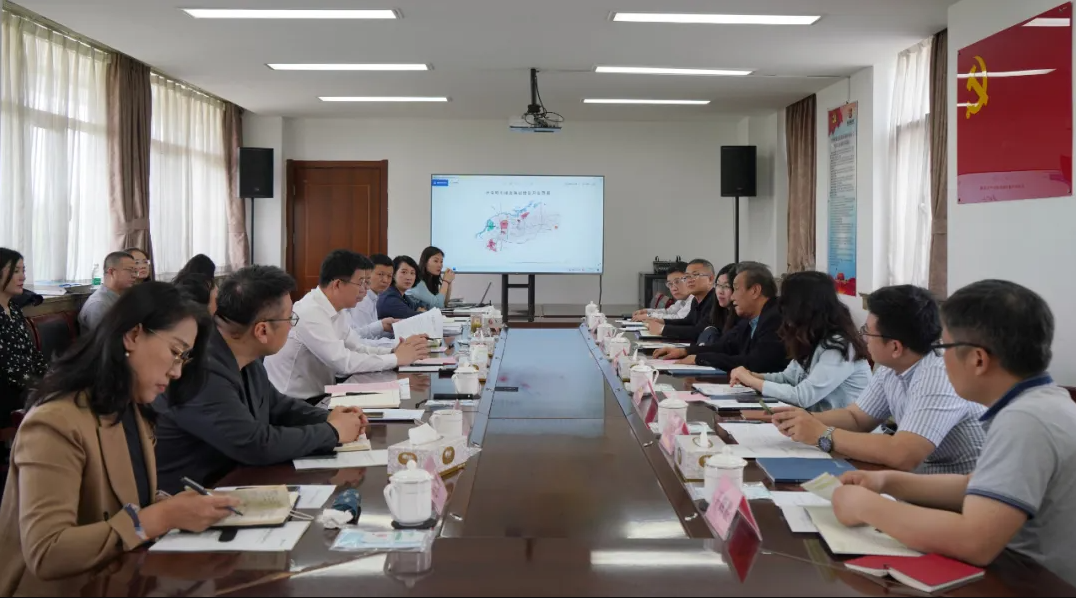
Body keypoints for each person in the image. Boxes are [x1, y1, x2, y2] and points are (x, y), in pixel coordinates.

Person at [831, 280, 1076, 587]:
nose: (939, 359)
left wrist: (867, 507)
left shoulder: (1026, 421)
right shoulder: (1041, 404)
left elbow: (975, 541)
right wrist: (887, 481)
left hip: (1032, 582)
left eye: (943, 347)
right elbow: (974, 485)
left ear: (978, 359)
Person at [0, 283, 239, 596]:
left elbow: (125, 502)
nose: (177, 372)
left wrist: (177, 506)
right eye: (175, 352)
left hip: (119, 579)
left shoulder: (130, 408)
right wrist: (161, 517)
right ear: (133, 335)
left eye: (184, 358)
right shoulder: (55, 422)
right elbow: (48, 552)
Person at [152, 265, 369, 493]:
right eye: (290, 318)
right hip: (195, 497)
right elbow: (255, 444)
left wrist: (331, 417)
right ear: (262, 331)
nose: (291, 325)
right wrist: (332, 432)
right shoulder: (201, 370)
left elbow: (277, 405)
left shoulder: (243, 352)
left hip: (236, 482)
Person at [772, 285, 986, 474]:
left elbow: (904, 453)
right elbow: (856, 418)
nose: (863, 338)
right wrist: (804, 419)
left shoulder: (937, 375)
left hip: (960, 494)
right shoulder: (892, 367)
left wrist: (822, 434)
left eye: (868, 332)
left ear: (895, 347)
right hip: (919, 479)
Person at [265, 250, 429, 400]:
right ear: (337, 284)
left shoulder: (336, 309)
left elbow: (356, 347)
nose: (365, 289)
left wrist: (392, 351)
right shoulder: (310, 312)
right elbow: (343, 362)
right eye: (361, 282)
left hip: (323, 393)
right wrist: (396, 358)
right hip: (297, 403)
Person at [728, 271, 872, 412]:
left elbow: (802, 397)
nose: (782, 308)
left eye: (787, 301)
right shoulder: (811, 337)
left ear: (804, 306)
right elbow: (788, 378)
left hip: (840, 427)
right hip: (814, 422)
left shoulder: (839, 346)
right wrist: (751, 376)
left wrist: (752, 381)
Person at [657, 262, 788, 374]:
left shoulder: (775, 319)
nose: (732, 297)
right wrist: (685, 351)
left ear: (755, 290)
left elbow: (756, 363)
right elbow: (725, 347)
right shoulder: (751, 319)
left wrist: (699, 358)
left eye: (735, 289)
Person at [0, 249, 48, 420]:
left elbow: (31, 352)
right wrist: (38, 384)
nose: (23, 277)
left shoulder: (13, 308)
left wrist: (50, 375)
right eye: (16, 271)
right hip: (8, 391)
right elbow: (8, 367)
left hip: (26, 385)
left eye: (23, 270)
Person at [645, 259, 717, 341]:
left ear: (710, 279)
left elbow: (699, 331)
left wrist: (663, 329)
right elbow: (687, 321)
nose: (689, 280)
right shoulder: (695, 300)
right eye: (687, 276)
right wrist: (663, 321)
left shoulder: (715, 301)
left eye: (695, 275)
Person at [79, 251, 138, 333]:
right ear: (111, 272)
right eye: (129, 270)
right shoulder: (99, 304)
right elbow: (105, 339)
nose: (134, 275)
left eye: (135, 271)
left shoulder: (122, 297)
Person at [347, 253, 397, 344]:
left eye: (389, 276)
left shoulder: (373, 297)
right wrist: (381, 326)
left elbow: (371, 334)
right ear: (368, 273)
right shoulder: (361, 299)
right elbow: (359, 338)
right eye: (380, 274)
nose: (385, 280)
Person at [696, 262, 739, 346]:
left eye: (726, 286)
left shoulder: (743, 318)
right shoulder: (719, 311)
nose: (720, 291)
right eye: (718, 285)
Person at [377, 255, 426, 320]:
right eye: (404, 272)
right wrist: (420, 312)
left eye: (412, 273)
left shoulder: (403, 296)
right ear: (393, 274)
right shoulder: (389, 298)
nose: (408, 277)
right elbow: (417, 318)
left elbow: (419, 307)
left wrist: (420, 311)